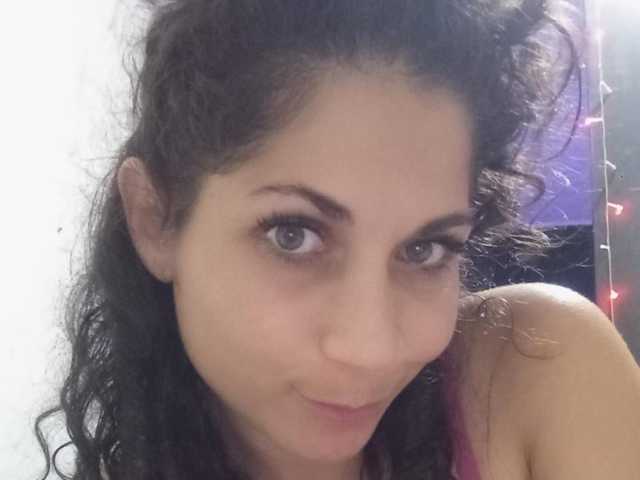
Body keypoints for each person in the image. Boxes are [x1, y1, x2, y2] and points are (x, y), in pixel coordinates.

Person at [34, 1, 640, 479]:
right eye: (293, 235)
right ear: (155, 219)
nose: (370, 350)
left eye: (425, 249)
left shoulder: (541, 374)